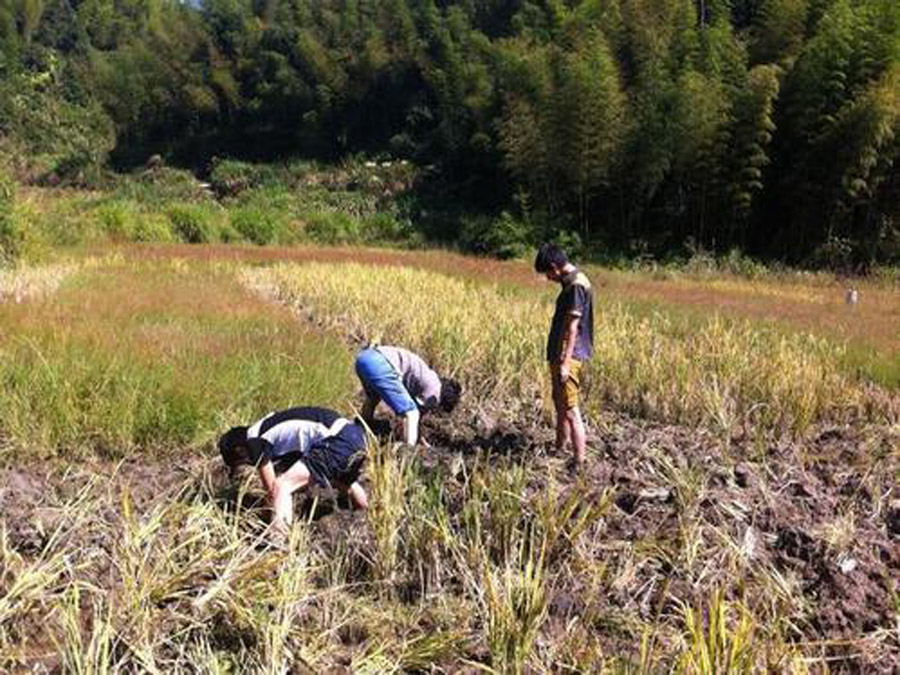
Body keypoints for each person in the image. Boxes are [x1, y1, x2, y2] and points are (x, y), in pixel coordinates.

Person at [217, 407, 369, 539]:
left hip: (338, 440)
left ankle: (278, 542)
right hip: (355, 436)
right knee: (343, 482)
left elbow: (271, 490)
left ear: (239, 450)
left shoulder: (254, 439)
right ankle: (365, 514)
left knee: (282, 487)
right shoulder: (269, 428)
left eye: (242, 462)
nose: (249, 464)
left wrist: (265, 515)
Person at [534, 243, 594, 468]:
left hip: (568, 356)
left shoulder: (576, 286)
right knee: (560, 404)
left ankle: (579, 461)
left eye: (547, 273)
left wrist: (565, 363)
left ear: (554, 267)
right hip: (560, 355)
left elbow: (572, 328)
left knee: (570, 409)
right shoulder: (570, 283)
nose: (548, 278)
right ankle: (560, 446)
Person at [354, 344, 461, 446]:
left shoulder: (431, 378)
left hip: (365, 357)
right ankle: (408, 451)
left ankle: (362, 425)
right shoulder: (435, 393)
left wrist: (420, 438)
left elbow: (418, 414)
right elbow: (413, 413)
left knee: (373, 398)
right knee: (411, 413)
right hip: (380, 364)